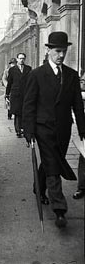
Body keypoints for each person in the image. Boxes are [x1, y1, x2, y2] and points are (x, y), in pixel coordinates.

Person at [22, 31, 85, 228]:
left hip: (63, 129)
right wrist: (29, 130)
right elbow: (29, 104)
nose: (61, 55)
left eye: (64, 51)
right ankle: (59, 209)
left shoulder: (72, 75)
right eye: (58, 51)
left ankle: (38, 188)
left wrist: (82, 128)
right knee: (53, 164)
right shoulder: (37, 75)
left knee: (52, 161)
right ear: (49, 50)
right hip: (43, 128)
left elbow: (77, 104)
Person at [6, 53, 31, 136]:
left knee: (24, 112)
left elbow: (31, 82)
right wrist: (7, 95)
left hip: (26, 94)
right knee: (17, 113)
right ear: (17, 59)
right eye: (20, 58)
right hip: (15, 94)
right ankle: (18, 130)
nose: (22, 60)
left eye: (23, 58)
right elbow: (9, 83)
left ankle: (23, 127)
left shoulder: (28, 69)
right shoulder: (12, 70)